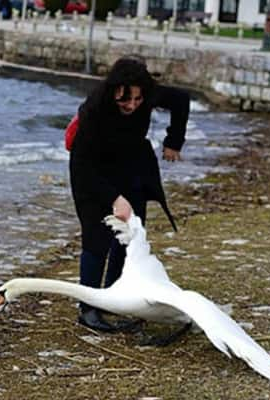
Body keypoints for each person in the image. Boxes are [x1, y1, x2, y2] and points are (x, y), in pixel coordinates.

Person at [69, 55, 190, 332]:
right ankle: (88, 309)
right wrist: (114, 199)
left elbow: (181, 99)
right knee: (96, 239)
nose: (132, 105)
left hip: (131, 167)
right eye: (125, 100)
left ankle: (114, 298)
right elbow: (83, 165)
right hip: (92, 173)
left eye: (137, 100)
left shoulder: (146, 94)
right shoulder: (94, 111)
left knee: (129, 237)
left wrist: (174, 141)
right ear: (113, 91)